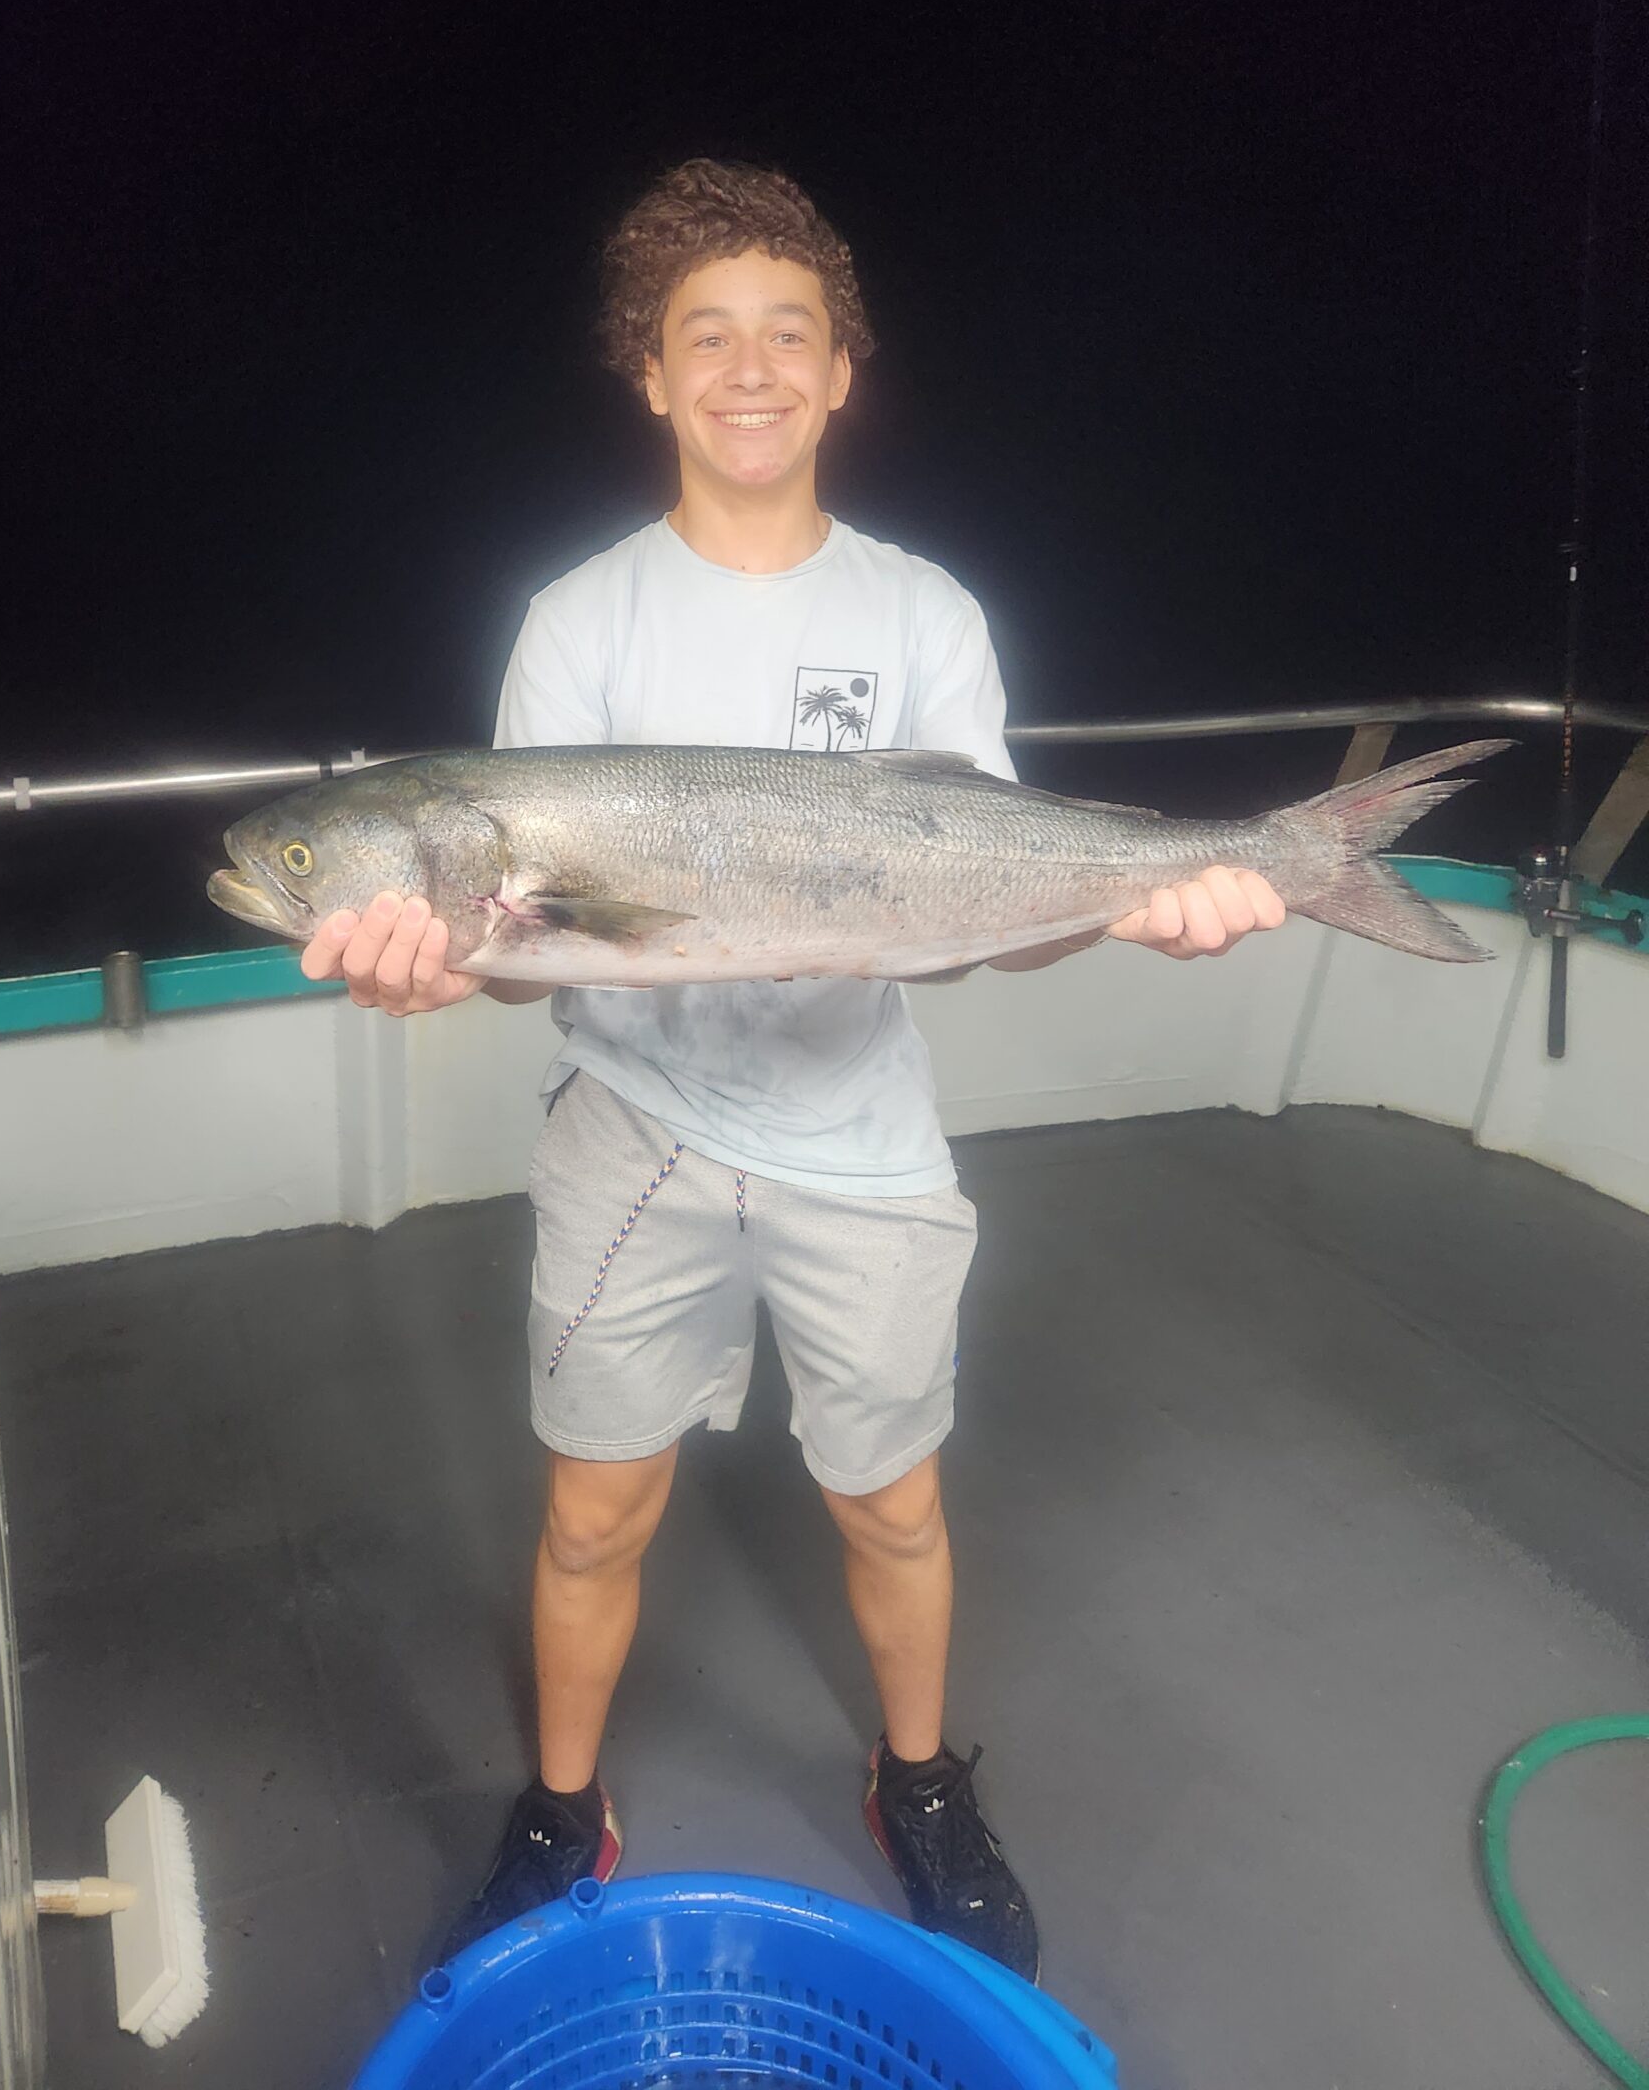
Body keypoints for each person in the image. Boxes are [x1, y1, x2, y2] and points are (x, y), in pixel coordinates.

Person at [303, 159, 1286, 1980]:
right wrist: (443, 971)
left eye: (789, 335)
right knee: (593, 1506)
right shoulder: (579, 622)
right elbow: (536, 960)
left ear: (844, 371)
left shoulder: (924, 616)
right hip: (637, 1133)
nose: (749, 370)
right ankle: (561, 1808)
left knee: (893, 1496)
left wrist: (1150, 896)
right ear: (649, 376)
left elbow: (990, 900)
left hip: (861, 1138)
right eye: (705, 339)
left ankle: (919, 1782)